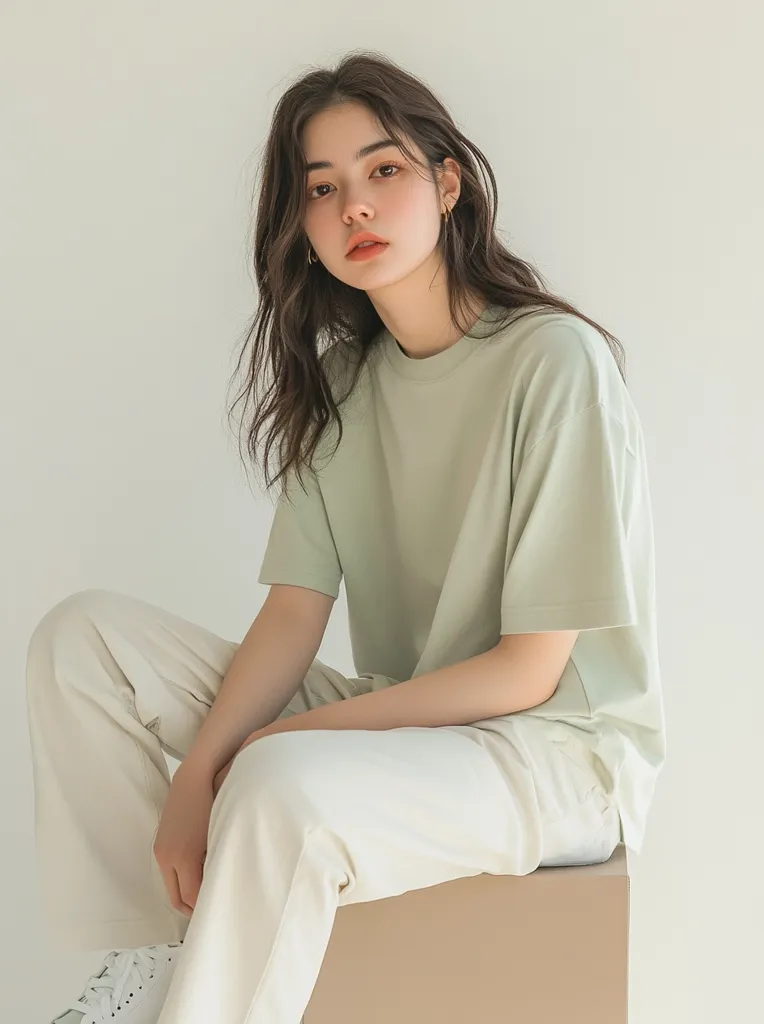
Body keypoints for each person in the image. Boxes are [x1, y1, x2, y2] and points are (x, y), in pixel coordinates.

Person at [26, 49, 666, 1024]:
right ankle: (148, 963)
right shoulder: (343, 390)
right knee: (83, 643)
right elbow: (291, 618)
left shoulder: (553, 363)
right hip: (411, 723)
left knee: (280, 777)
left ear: (447, 184)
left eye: (382, 171)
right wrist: (197, 774)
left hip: (555, 751)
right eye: (320, 189)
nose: (352, 207)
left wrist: (270, 743)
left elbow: (526, 673)